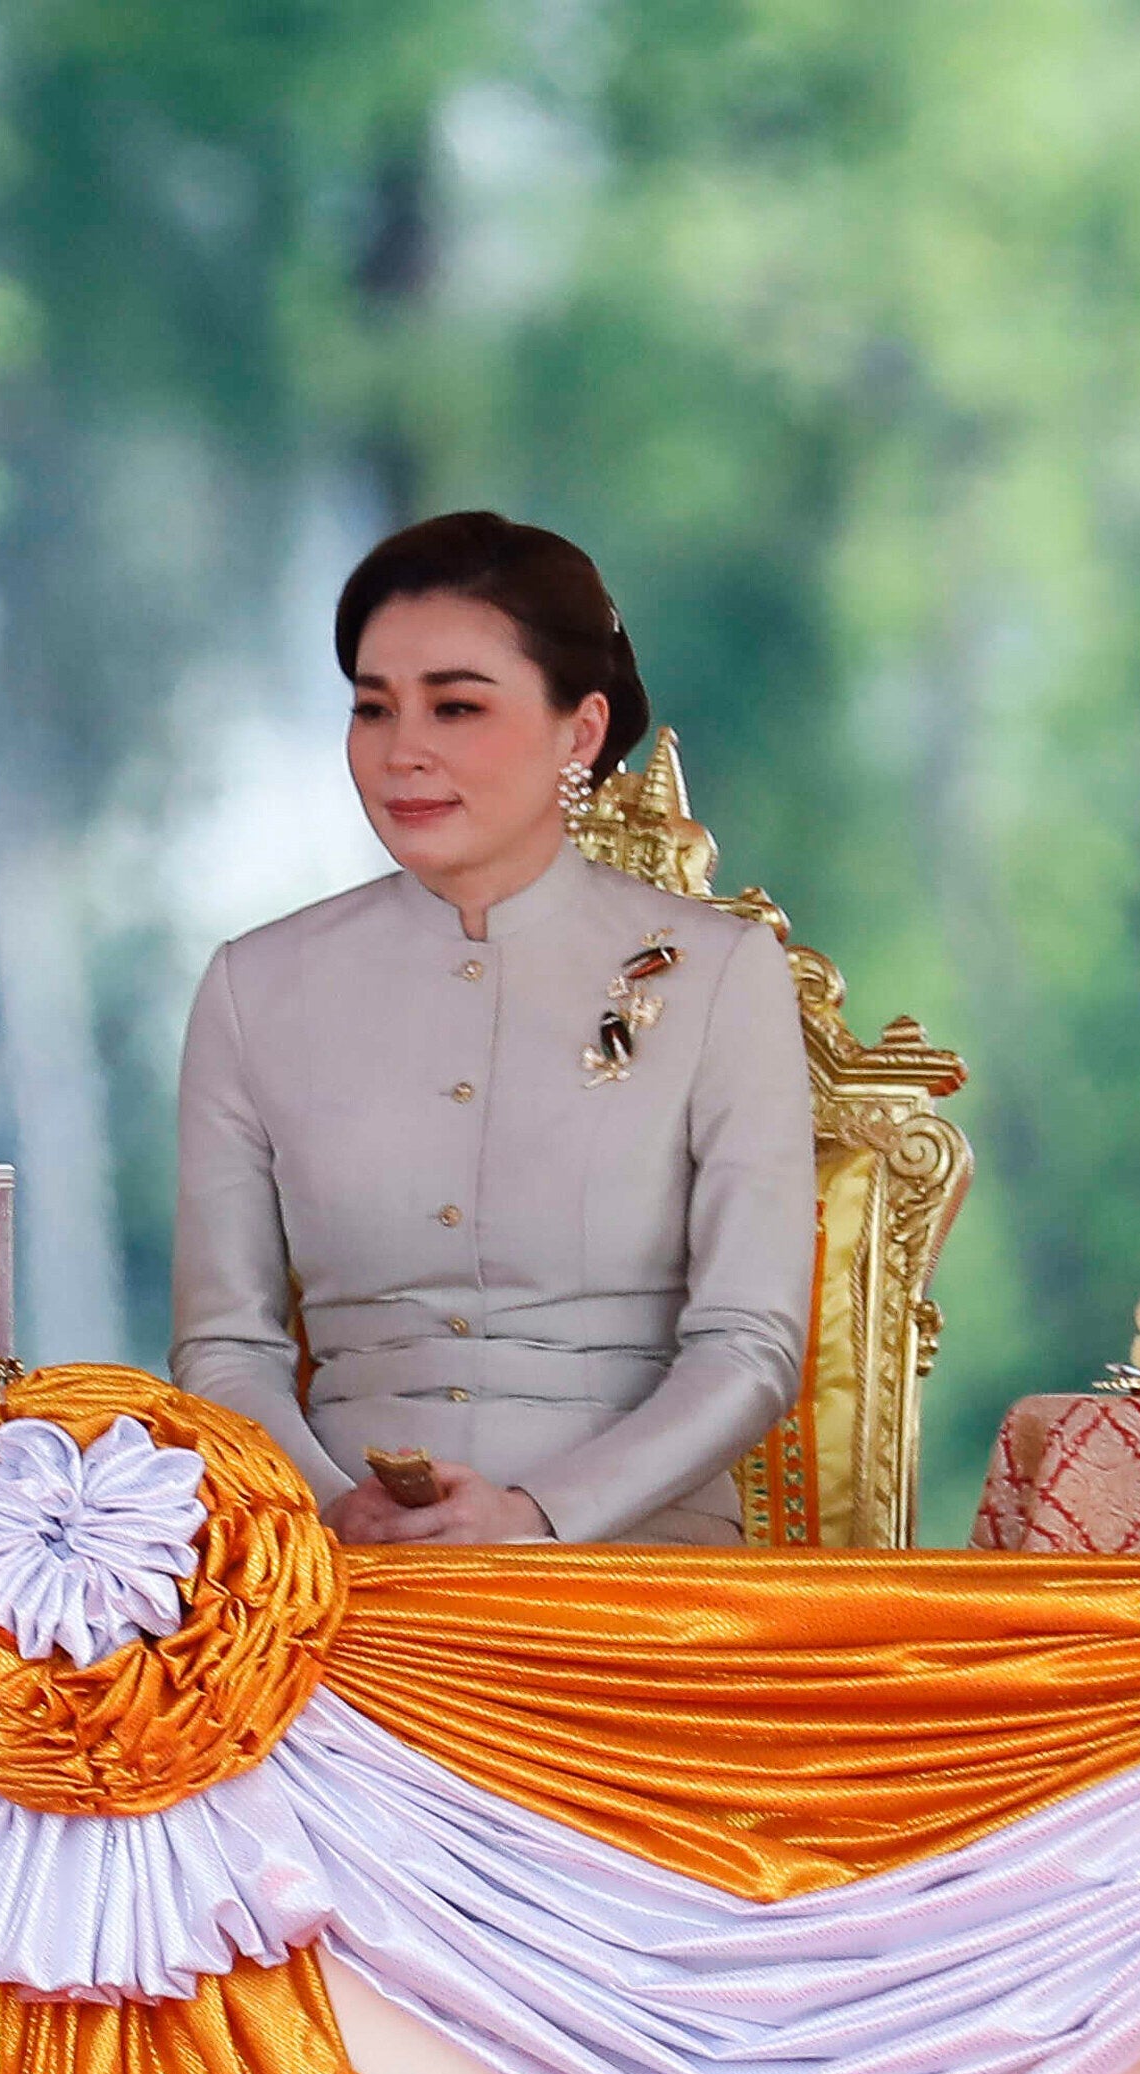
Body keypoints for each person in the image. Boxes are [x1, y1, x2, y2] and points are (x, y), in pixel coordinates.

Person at [171, 511, 811, 1545]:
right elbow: (222, 1348)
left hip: (634, 1575)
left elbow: (748, 1348)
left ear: (581, 731)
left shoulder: (718, 974)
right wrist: (337, 1513)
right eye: (371, 710)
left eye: (455, 707)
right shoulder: (255, 985)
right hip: (347, 1571)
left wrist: (536, 1515)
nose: (401, 752)